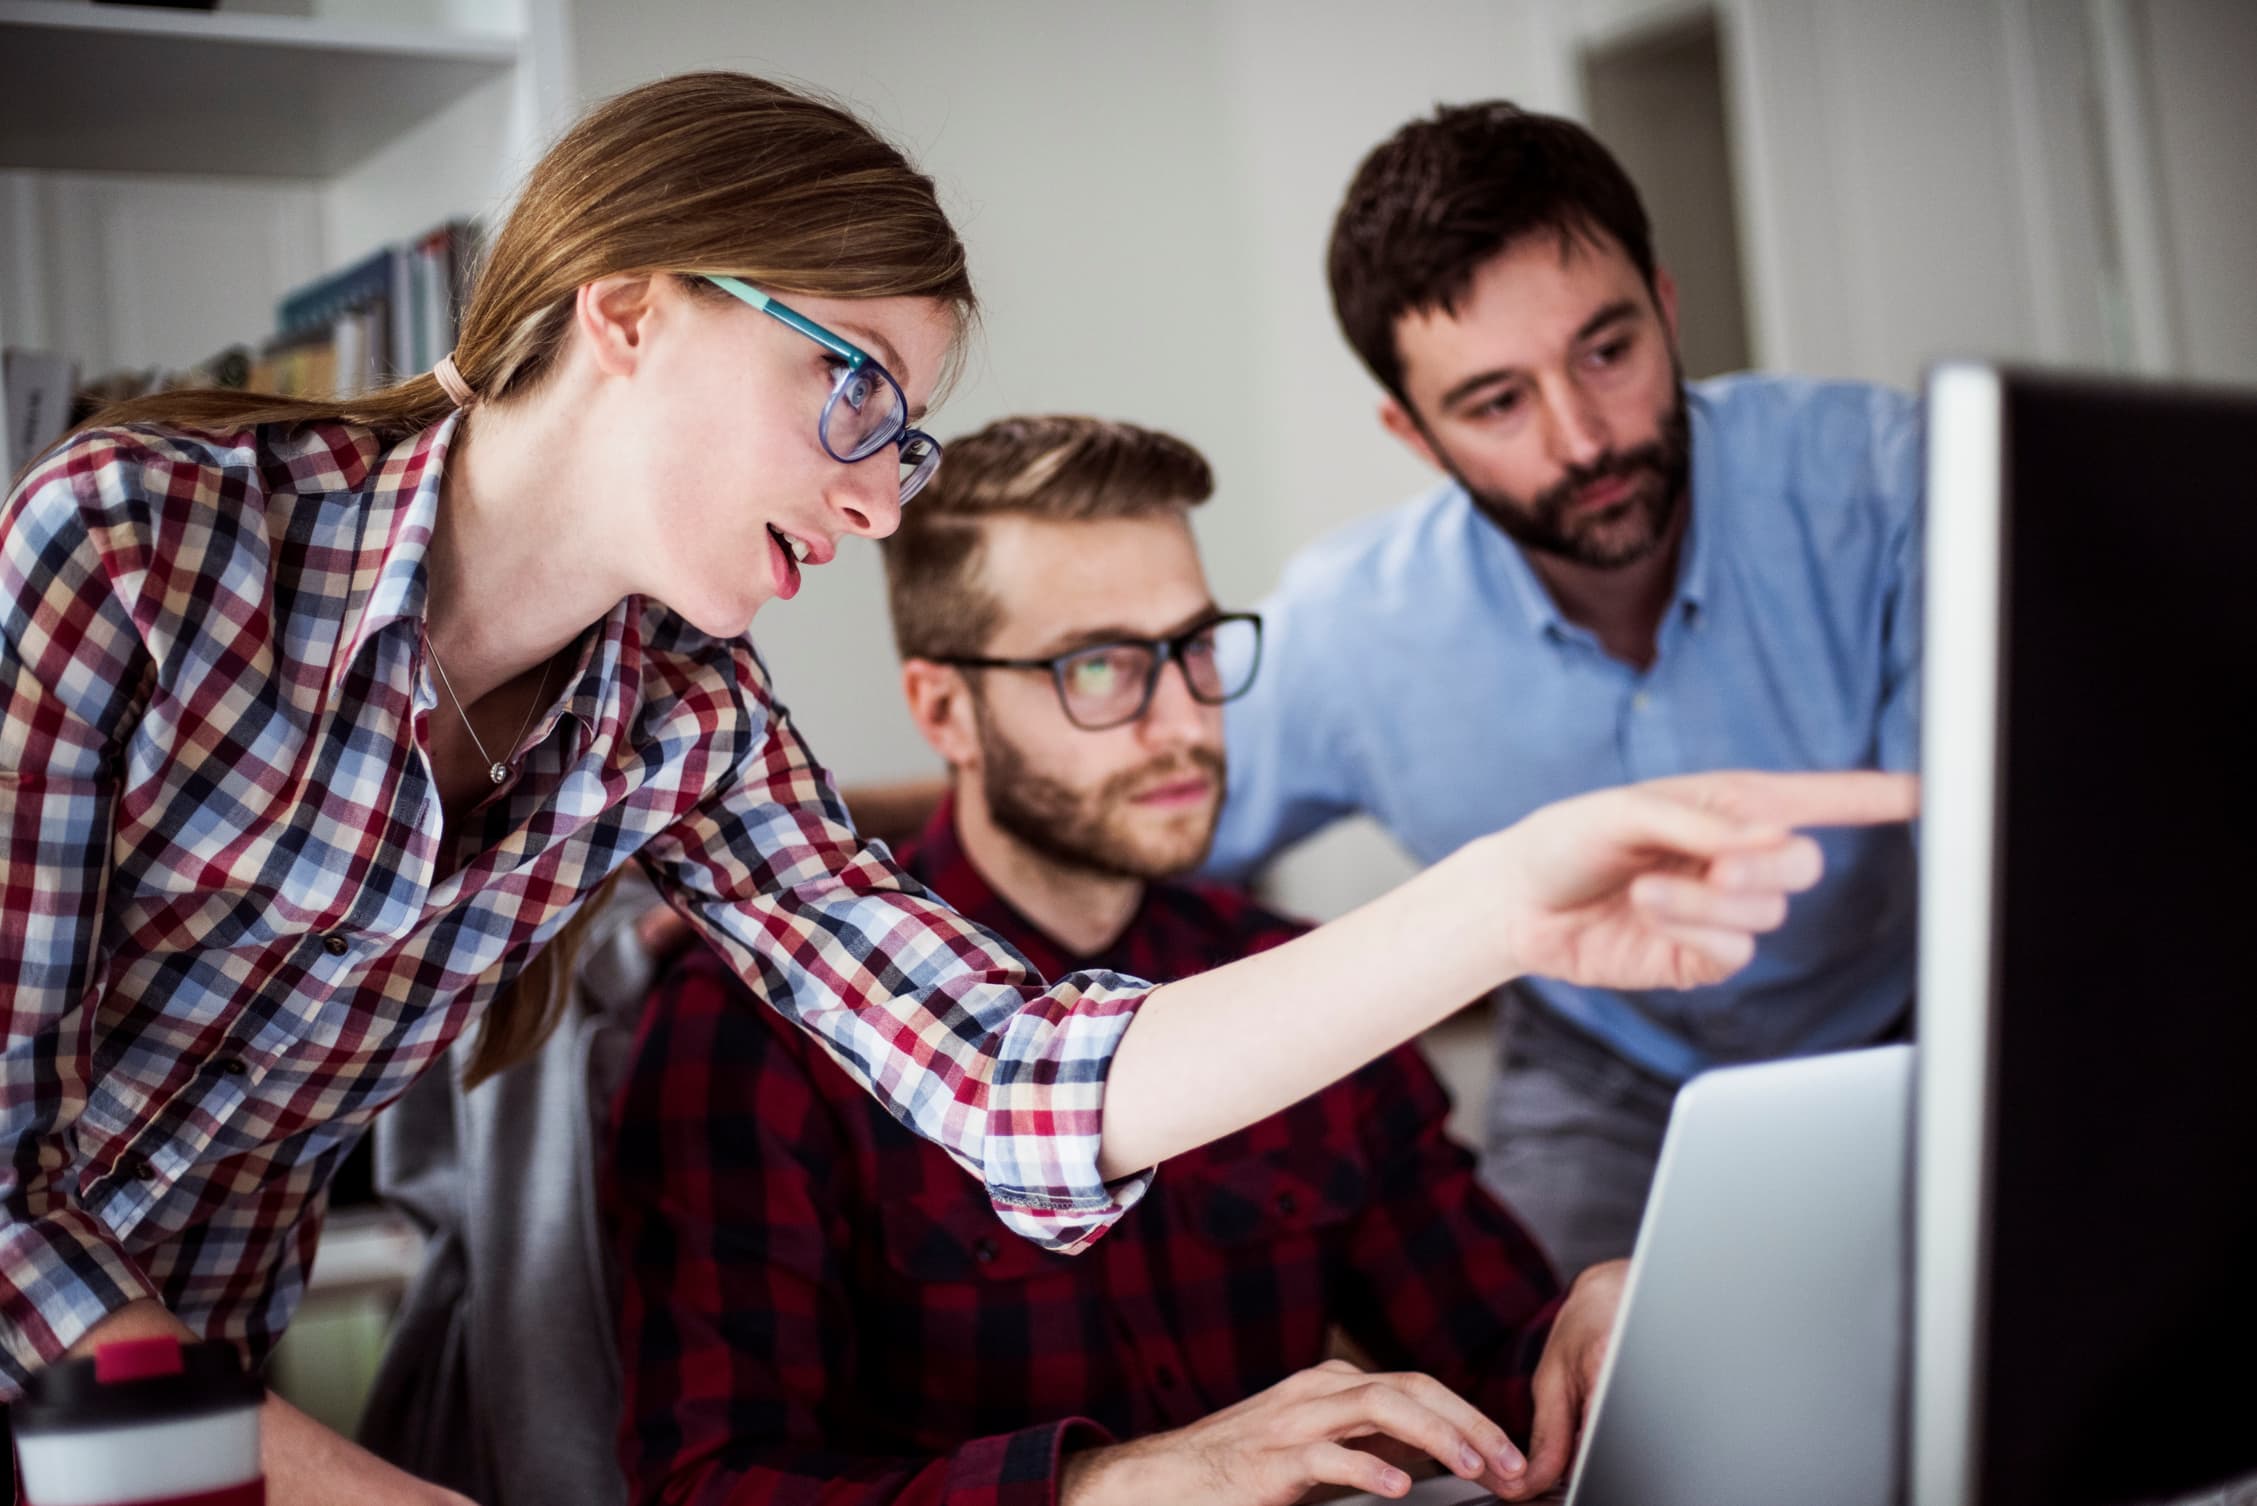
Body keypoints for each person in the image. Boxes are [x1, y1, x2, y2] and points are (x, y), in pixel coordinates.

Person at [0, 70, 1911, 1504]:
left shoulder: (685, 720)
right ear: (629, 306)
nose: (873, 491)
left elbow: (1010, 1080)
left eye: (903, 444)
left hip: (180, 1432)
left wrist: (1499, 896)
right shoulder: (143, 545)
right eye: (852, 398)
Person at [609, 415, 1624, 1506]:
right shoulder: (758, 1024)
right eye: (1098, 666)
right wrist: (1108, 1485)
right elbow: (709, 1487)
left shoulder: (1291, 980)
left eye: (1194, 649)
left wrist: (1591, 1334)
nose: (1181, 721)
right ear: (944, 708)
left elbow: (1496, 1372)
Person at [1198, 101, 1926, 1275]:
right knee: (1543, 1406)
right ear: (1415, 434)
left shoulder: (1886, 484)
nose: (1584, 439)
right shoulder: (1353, 625)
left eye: (1608, 351)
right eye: (1496, 403)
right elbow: (1138, 823)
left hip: (1911, 1021)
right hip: (1603, 1071)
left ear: (1666, 306)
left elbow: (2030, 851)